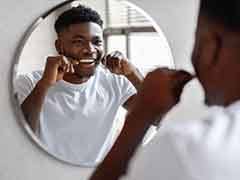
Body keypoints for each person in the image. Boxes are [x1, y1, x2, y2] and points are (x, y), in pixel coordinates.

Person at [89, 0, 240, 179]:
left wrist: (142, 113)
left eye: (96, 41)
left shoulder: (185, 149)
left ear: (209, 47)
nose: (89, 50)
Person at [15, 5, 143, 165]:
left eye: (97, 42)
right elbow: (18, 139)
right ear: (59, 46)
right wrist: (44, 84)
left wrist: (132, 73)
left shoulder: (115, 82)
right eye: (78, 42)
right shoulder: (29, 82)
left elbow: (159, 118)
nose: (90, 50)